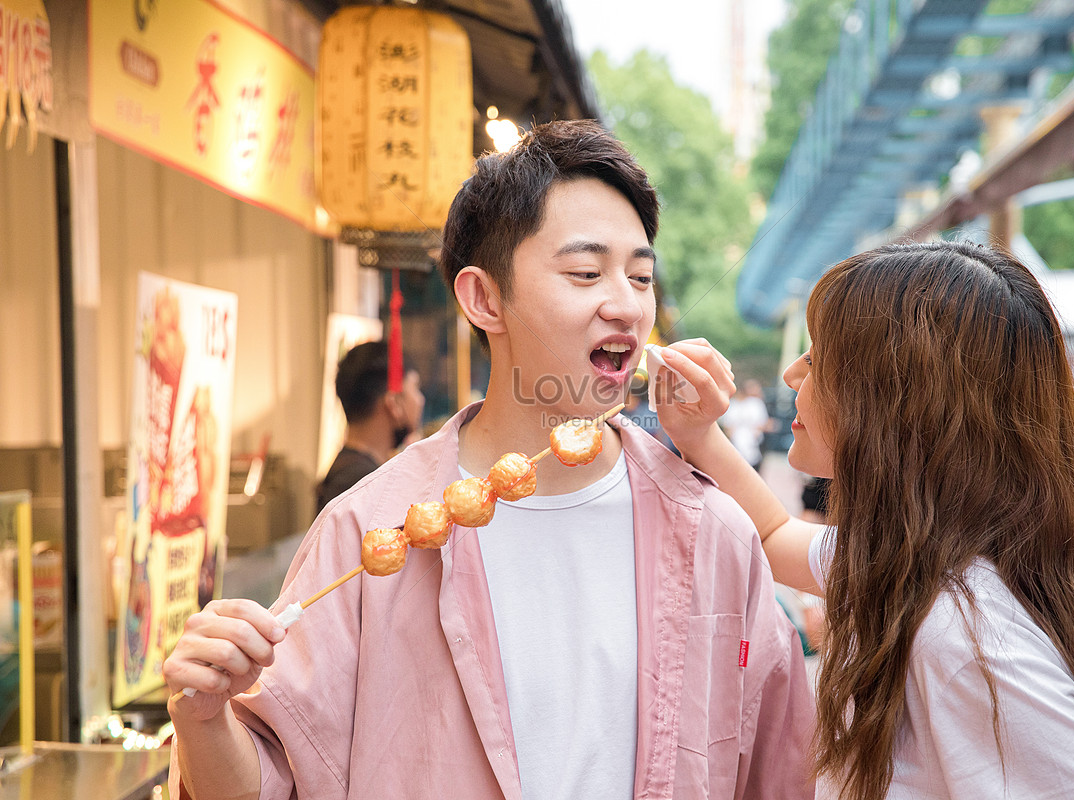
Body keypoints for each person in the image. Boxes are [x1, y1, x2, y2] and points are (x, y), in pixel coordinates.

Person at [164, 119, 815, 800]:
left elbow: (781, 767)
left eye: (641, 276)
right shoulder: (368, 530)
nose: (625, 304)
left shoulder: (714, 531)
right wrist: (202, 719)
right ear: (483, 299)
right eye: (586, 272)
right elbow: (268, 784)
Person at [654, 241, 1074, 799]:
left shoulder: (967, 633)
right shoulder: (922, 567)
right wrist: (697, 432)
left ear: (896, 399)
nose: (793, 372)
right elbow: (775, 536)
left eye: (819, 357)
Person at [315, 341, 424, 515]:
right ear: (394, 403)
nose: (420, 400)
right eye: (416, 388)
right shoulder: (360, 483)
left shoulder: (351, 474)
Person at [720, 378, 771, 471]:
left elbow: (762, 423)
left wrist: (754, 435)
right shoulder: (733, 404)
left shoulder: (756, 404)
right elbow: (728, 425)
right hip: (736, 442)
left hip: (754, 441)